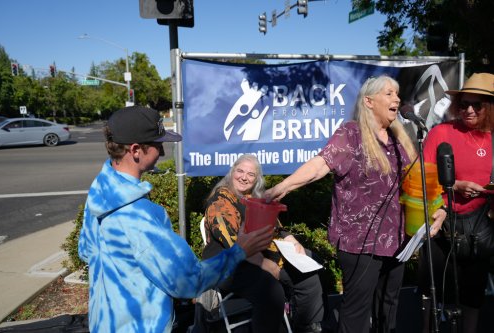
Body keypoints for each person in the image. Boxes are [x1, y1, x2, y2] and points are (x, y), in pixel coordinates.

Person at [78, 106, 274, 333]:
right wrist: (239, 251)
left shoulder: (101, 193)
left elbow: (86, 250)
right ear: (135, 150)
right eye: (158, 144)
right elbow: (189, 282)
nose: (162, 152)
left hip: (102, 322)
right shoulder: (138, 216)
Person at [265, 75, 436, 333]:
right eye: (389, 94)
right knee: (356, 313)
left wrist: (437, 210)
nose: (397, 99)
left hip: (397, 241)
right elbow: (320, 165)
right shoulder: (351, 134)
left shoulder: (399, 139)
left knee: (388, 308)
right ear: (369, 101)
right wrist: (283, 186)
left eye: (397, 94)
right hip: (360, 243)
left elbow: (416, 181)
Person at [202, 154, 325, 333]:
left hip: (260, 254)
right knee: (271, 290)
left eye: (251, 174)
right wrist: (265, 264)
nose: (244, 177)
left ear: (257, 179)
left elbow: (274, 225)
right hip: (227, 262)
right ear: (232, 172)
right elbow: (233, 243)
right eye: (240, 171)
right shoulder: (220, 203)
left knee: (309, 271)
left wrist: (291, 240)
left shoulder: (253, 199)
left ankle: (306, 325)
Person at [418, 72, 494, 333]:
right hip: (441, 226)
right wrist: (455, 186)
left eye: (477, 105)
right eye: (464, 104)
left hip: (481, 229)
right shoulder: (442, 132)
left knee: (473, 296)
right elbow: (422, 179)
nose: (469, 110)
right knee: (432, 294)